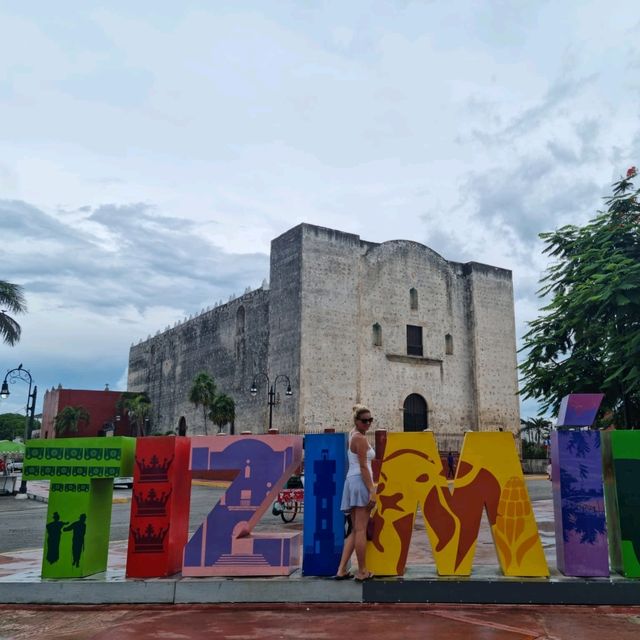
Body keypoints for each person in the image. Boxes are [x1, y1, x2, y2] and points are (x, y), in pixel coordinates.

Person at [335, 404, 376, 582]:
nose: (368, 424)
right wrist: (372, 491)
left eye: (370, 420)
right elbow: (363, 466)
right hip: (360, 481)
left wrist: (358, 408)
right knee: (361, 530)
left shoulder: (352, 433)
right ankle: (362, 571)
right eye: (364, 421)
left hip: (351, 481)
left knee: (354, 530)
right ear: (357, 422)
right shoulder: (360, 439)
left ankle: (341, 569)